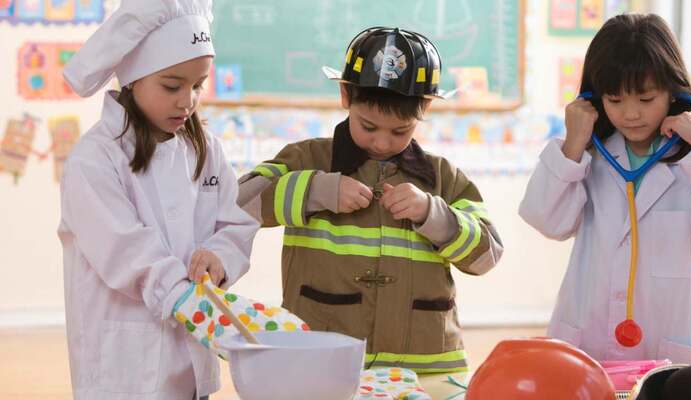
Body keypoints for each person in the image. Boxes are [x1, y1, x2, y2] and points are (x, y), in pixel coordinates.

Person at [237, 27, 504, 374]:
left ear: (424, 108)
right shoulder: (307, 158)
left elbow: (486, 257)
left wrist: (432, 214)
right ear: (346, 96)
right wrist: (317, 190)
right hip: (326, 360)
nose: (381, 143)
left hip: (426, 367)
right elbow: (239, 203)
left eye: (400, 131)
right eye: (368, 126)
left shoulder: (443, 177)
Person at [519, 13, 691, 364]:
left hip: (672, 335)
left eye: (646, 99)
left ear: (673, 91)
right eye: (614, 100)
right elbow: (547, 221)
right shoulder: (585, 154)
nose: (630, 114)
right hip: (591, 331)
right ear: (593, 97)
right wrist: (572, 144)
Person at [58, 1, 259, 398]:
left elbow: (234, 222)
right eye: (172, 86)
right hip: (126, 370)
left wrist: (219, 256)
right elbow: (125, 248)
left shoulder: (206, 149)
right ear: (134, 79)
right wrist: (180, 294)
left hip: (191, 363)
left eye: (198, 85)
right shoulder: (93, 159)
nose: (188, 100)